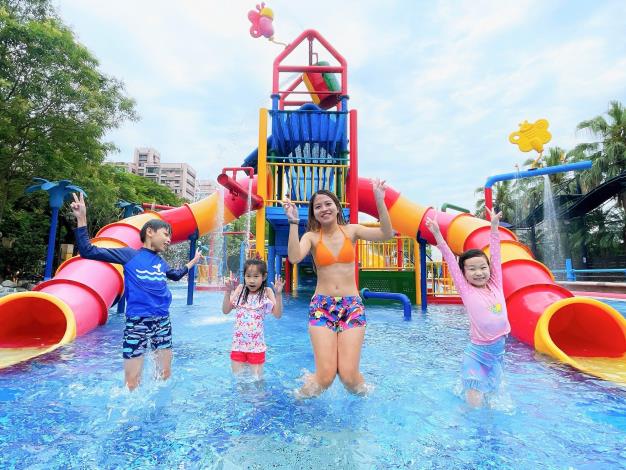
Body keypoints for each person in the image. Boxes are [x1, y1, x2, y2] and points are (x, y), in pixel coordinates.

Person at [70, 192, 202, 391]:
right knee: (132, 381)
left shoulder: (160, 262)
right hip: (137, 322)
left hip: (162, 321)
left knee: (165, 375)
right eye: (166, 234)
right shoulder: (129, 255)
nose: (168, 240)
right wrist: (82, 218)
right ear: (150, 232)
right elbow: (88, 251)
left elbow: (174, 275)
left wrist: (191, 263)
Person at [282, 180, 393, 397]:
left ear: (337, 206)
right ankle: (298, 401)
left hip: (351, 306)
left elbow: (386, 234)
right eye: (318, 206)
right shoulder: (311, 237)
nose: (324, 209)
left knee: (349, 378)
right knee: (325, 378)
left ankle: (369, 405)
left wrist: (380, 200)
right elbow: (294, 257)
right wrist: (294, 223)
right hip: (322, 306)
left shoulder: (351, 231)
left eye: (328, 204)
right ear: (314, 213)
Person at [425, 207, 510, 407]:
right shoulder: (467, 290)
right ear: (463, 273)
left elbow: (496, 255)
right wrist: (437, 233)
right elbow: (449, 258)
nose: (478, 272)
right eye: (471, 269)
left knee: (492, 400)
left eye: (482, 267)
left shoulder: (496, 283)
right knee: (475, 405)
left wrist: (494, 227)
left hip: (497, 355)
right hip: (477, 355)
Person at [222, 259, 284, 380]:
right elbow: (225, 310)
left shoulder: (267, 292)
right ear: (244, 276)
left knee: (257, 381)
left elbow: (277, 314)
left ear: (264, 276)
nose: (251, 280)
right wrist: (228, 291)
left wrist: (279, 294)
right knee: (239, 381)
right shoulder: (240, 289)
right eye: (248, 276)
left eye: (256, 276)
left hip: (256, 347)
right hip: (238, 346)